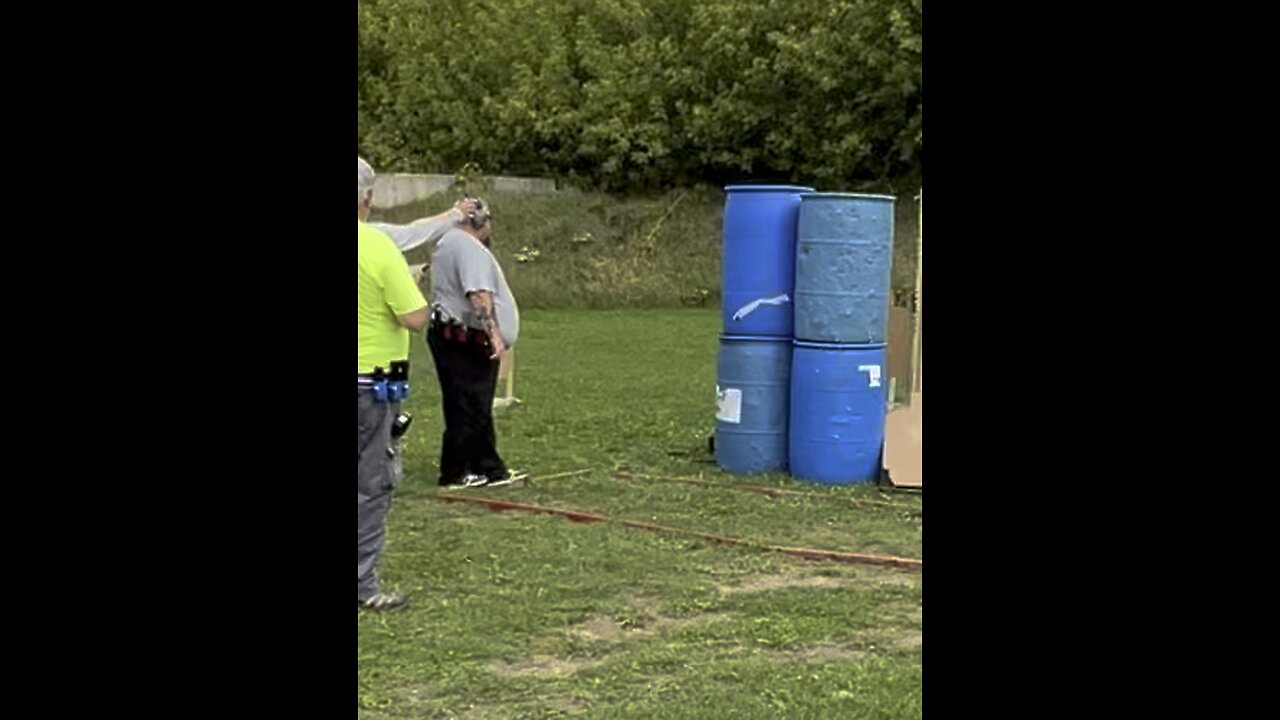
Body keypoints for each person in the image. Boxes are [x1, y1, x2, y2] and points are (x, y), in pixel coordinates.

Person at [357, 156, 430, 610]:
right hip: (373, 383)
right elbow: (414, 316)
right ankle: (363, 585)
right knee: (371, 482)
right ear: (366, 199)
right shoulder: (378, 246)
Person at [426, 196, 523, 488]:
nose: (490, 225)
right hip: (466, 336)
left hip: (451, 334)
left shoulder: (448, 243)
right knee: (471, 405)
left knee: (466, 403)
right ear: (475, 220)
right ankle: (462, 469)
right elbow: (479, 294)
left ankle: (485, 467)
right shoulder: (469, 247)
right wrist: (494, 335)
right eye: (488, 218)